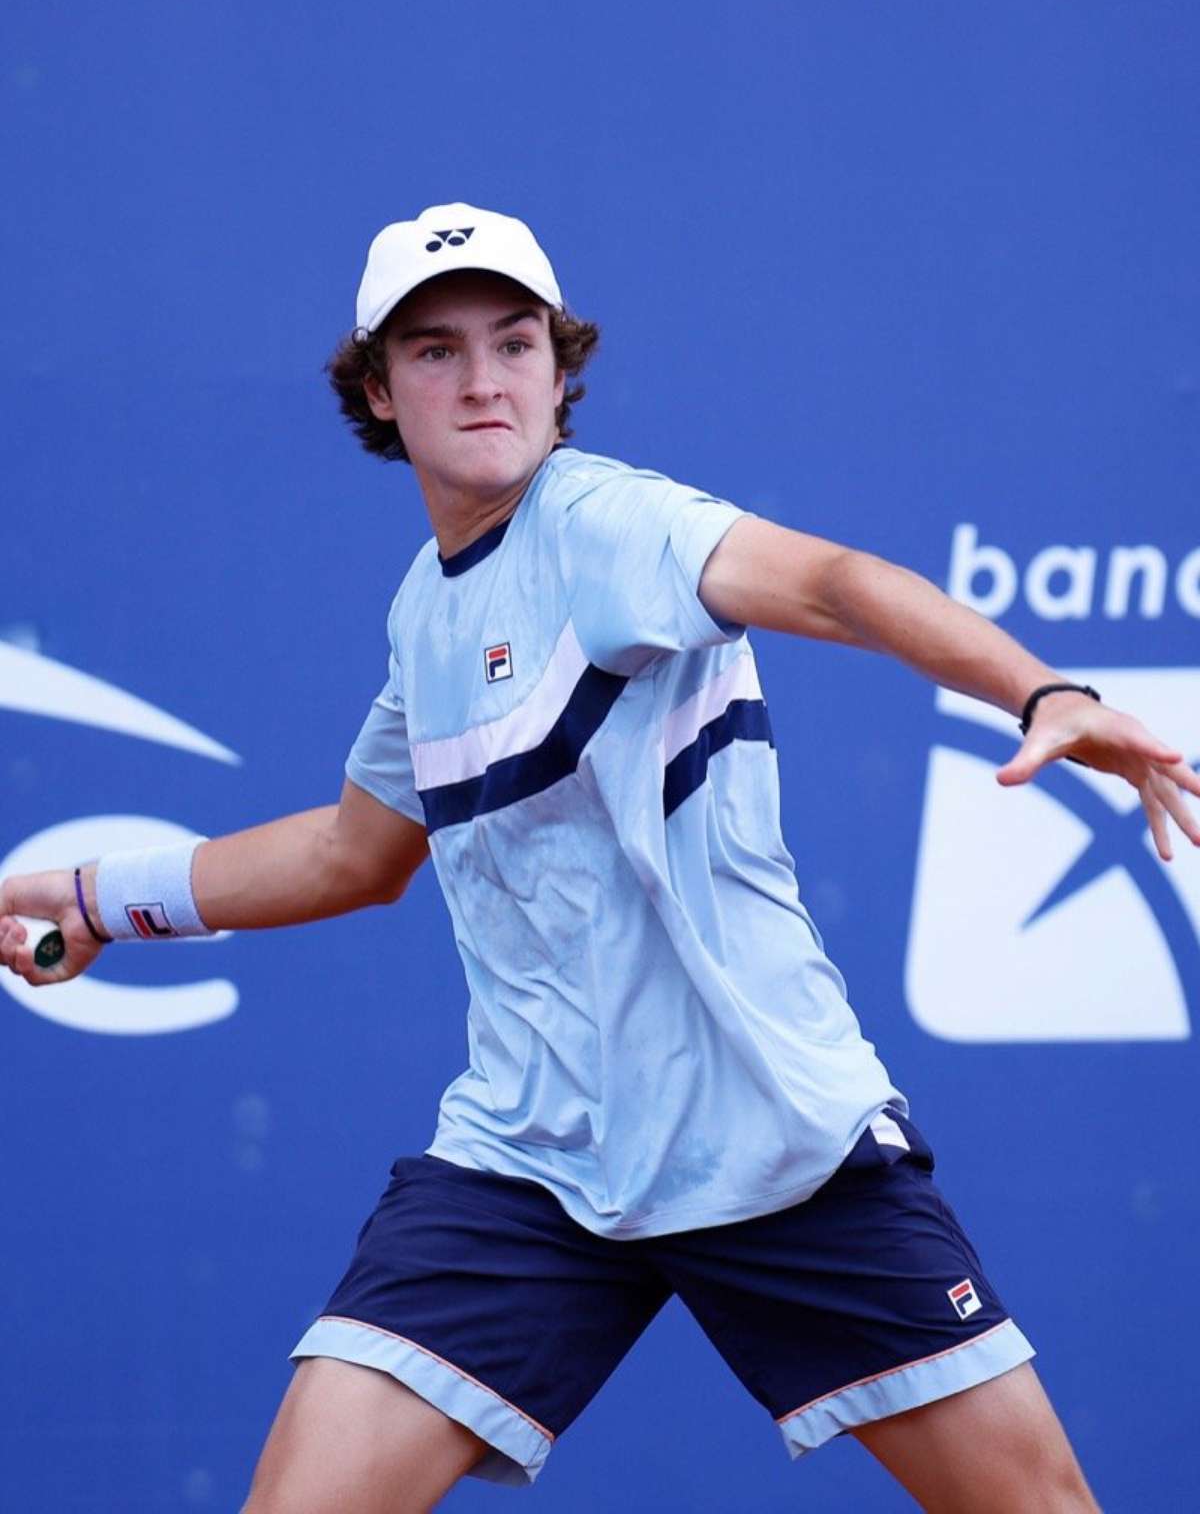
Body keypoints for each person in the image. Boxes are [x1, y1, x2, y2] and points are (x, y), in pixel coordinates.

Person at [2, 203, 1197, 1514]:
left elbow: (839, 583)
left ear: (560, 370)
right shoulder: (428, 605)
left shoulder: (612, 526)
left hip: (771, 1144)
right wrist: (94, 897)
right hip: (537, 1153)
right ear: (378, 391)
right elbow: (356, 851)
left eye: (515, 344)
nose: (482, 380)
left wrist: (1042, 692)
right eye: (437, 351)